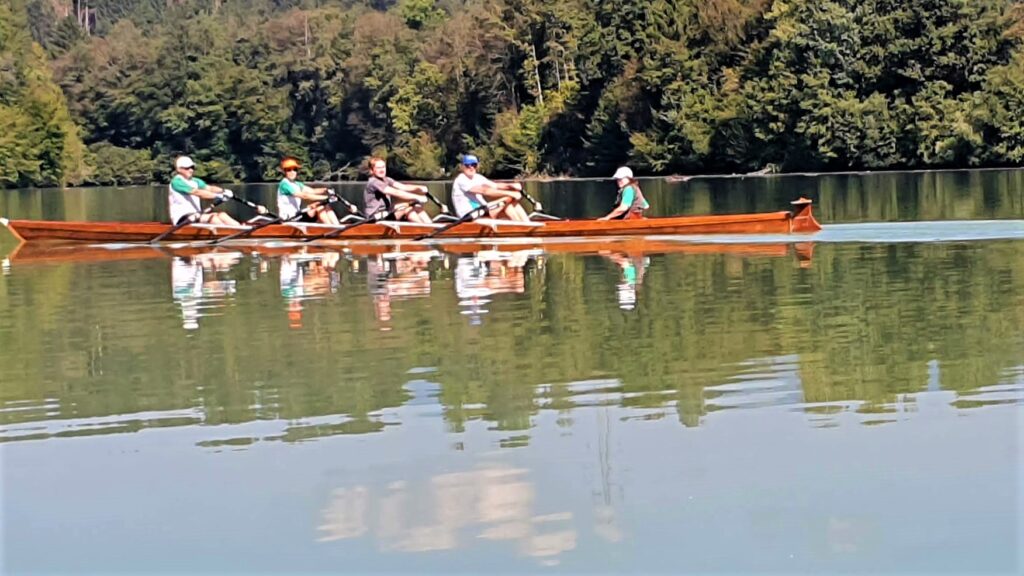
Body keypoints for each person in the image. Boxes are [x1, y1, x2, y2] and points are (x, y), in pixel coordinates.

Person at [451, 154, 530, 222]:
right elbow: (484, 191)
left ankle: (527, 224)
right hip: (470, 216)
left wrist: (511, 185)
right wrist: (511, 193)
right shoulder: (461, 179)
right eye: (468, 165)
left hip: (482, 211)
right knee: (507, 199)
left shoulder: (477, 177)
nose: (471, 167)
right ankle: (522, 227)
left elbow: (495, 186)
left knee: (511, 202)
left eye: (474, 165)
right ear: (462, 167)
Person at [168, 156, 240, 226]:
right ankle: (226, 232)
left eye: (192, 167)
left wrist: (223, 191)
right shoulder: (177, 182)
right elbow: (197, 192)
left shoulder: (195, 181)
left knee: (222, 215)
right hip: (182, 218)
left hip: (196, 215)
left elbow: (209, 188)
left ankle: (241, 229)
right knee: (213, 218)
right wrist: (218, 196)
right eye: (187, 168)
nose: (191, 170)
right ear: (179, 169)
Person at [364, 157, 433, 224]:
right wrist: (417, 197)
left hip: (386, 213)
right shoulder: (374, 182)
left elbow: (403, 187)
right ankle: (423, 229)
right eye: (378, 168)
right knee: (407, 209)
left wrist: (419, 188)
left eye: (383, 167)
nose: (382, 170)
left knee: (416, 206)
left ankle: (431, 226)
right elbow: (395, 192)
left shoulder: (387, 179)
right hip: (375, 217)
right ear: (372, 170)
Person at [277, 157, 340, 225]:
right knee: (319, 207)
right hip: (289, 219)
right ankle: (330, 228)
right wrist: (326, 198)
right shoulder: (284, 184)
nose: (292, 172)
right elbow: (305, 196)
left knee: (324, 205)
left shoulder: (297, 184)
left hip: (297, 215)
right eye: (289, 170)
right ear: (284, 172)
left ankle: (337, 225)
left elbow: (312, 191)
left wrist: (326, 190)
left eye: (295, 169)